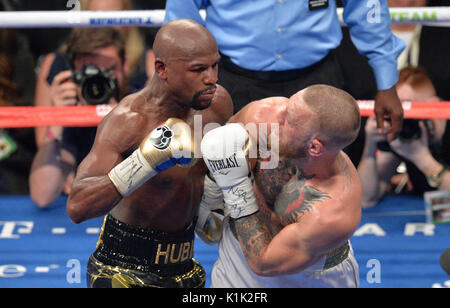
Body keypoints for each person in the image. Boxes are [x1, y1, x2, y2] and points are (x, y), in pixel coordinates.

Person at [66, 19, 233, 288]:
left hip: (184, 267)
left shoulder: (217, 105)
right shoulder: (128, 121)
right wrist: (143, 162)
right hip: (122, 268)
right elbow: (77, 207)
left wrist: (215, 198)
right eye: (198, 69)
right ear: (162, 68)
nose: (211, 78)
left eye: (215, 65)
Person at [164, 0, 405, 144]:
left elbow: (369, 10)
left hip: (318, 81)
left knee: (322, 191)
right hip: (233, 82)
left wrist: (387, 83)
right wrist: (183, 88)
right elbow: (180, 21)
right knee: (231, 192)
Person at [201, 84, 362, 287]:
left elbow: (263, 263)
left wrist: (235, 186)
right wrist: (211, 193)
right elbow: (220, 149)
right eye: (288, 107)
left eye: (289, 121)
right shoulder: (266, 114)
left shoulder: (331, 213)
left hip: (306, 275)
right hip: (238, 258)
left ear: (314, 147)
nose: (278, 116)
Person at [29, 27, 129, 207]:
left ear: (125, 66)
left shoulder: (141, 105)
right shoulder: (71, 116)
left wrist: (119, 121)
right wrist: (57, 119)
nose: (100, 81)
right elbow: (42, 195)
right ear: (74, 72)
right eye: (92, 72)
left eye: (109, 70)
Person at [33, 0, 154, 149]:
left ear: (125, 65)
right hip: (72, 155)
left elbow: (159, 149)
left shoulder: (149, 63)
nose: (104, 25)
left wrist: (121, 115)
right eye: (96, 17)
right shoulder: (57, 63)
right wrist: (59, 117)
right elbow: (43, 147)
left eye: (113, 18)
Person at [357, 66, 449, 208]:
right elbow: (366, 199)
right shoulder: (404, 133)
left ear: (434, 105)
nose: (401, 118)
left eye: (408, 108)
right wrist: (370, 148)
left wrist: (424, 160)